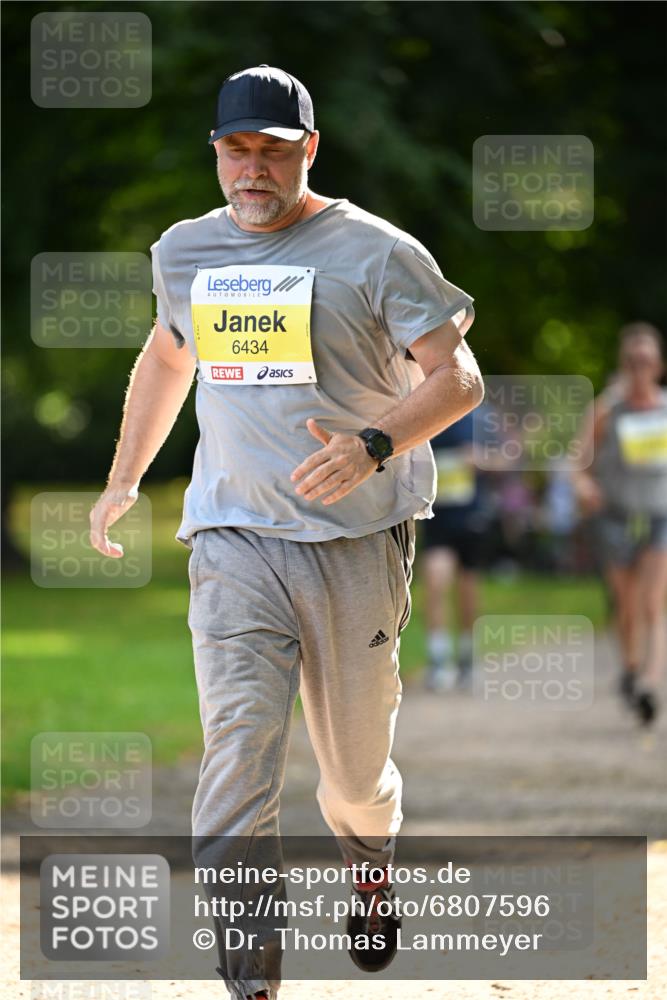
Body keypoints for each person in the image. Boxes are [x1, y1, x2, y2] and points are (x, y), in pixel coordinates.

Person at [89, 64, 483, 1000]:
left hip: (354, 543)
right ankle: (251, 972)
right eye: (236, 151)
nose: (252, 170)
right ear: (215, 154)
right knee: (237, 749)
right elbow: (168, 355)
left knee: (353, 774)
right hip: (232, 538)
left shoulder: (375, 252)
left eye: (272, 151)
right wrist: (123, 479)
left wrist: (372, 445)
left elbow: (458, 378)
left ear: (308, 149)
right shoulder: (183, 251)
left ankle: (369, 863)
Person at [573, 322, 667, 726]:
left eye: (646, 360)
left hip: (659, 516)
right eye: (632, 361)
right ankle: (630, 668)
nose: (640, 368)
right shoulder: (607, 409)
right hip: (614, 517)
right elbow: (578, 463)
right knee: (627, 606)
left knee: (652, 603)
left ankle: (649, 683)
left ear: (659, 365)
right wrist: (585, 487)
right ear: (623, 364)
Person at [422, 410, 492, 691]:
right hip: (437, 518)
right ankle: (438, 660)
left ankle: (466, 654)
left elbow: (510, 455)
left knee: (467, 591)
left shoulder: (481, 418)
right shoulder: (426, 412)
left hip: (470, 517)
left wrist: (480, 459)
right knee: (436, 583)